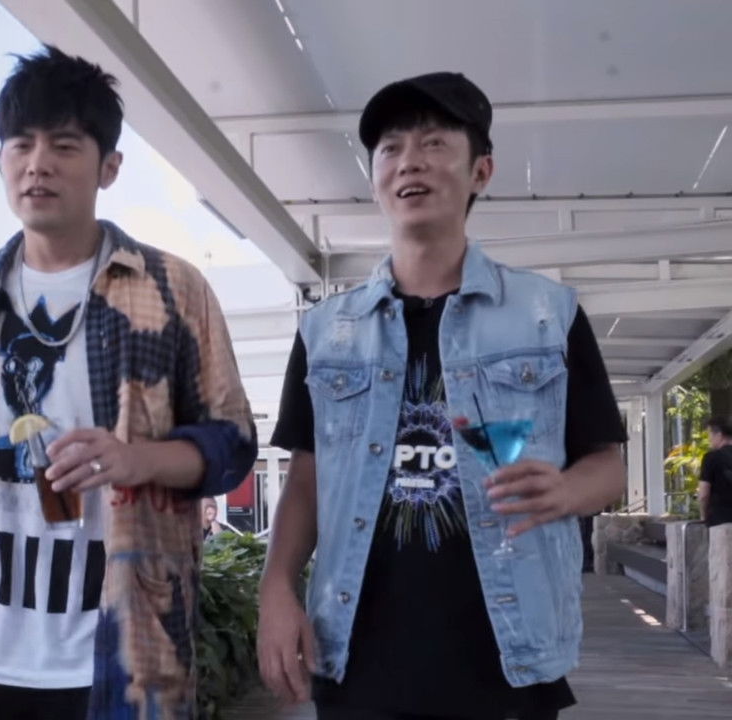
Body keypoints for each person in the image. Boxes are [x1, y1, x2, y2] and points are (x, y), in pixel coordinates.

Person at [0, 45, 256, 720]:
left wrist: (138, 458)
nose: (38, 163)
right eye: (21, 144)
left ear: (109, 167)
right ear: (0, 160)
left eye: (64, 145)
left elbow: (234, 443)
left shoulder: (172, 288)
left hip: (129, 655)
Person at [256, 72, 627, 720]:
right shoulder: (325, 332)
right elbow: (306, 482)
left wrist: (567, 491)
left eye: (433, 143)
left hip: (506, 655)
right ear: (376, 176)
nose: (410, 162)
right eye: (391, 148)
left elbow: (609, 465)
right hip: (358, 656)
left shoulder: (548, 315)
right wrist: (275, 591)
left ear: (481, 170)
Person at [700, 416, 732, 527]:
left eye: (710, 434)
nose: (709, 438)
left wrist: (703, 516)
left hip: (720, 521)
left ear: (719, 434)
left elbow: (704, 494)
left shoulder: (711, 458)